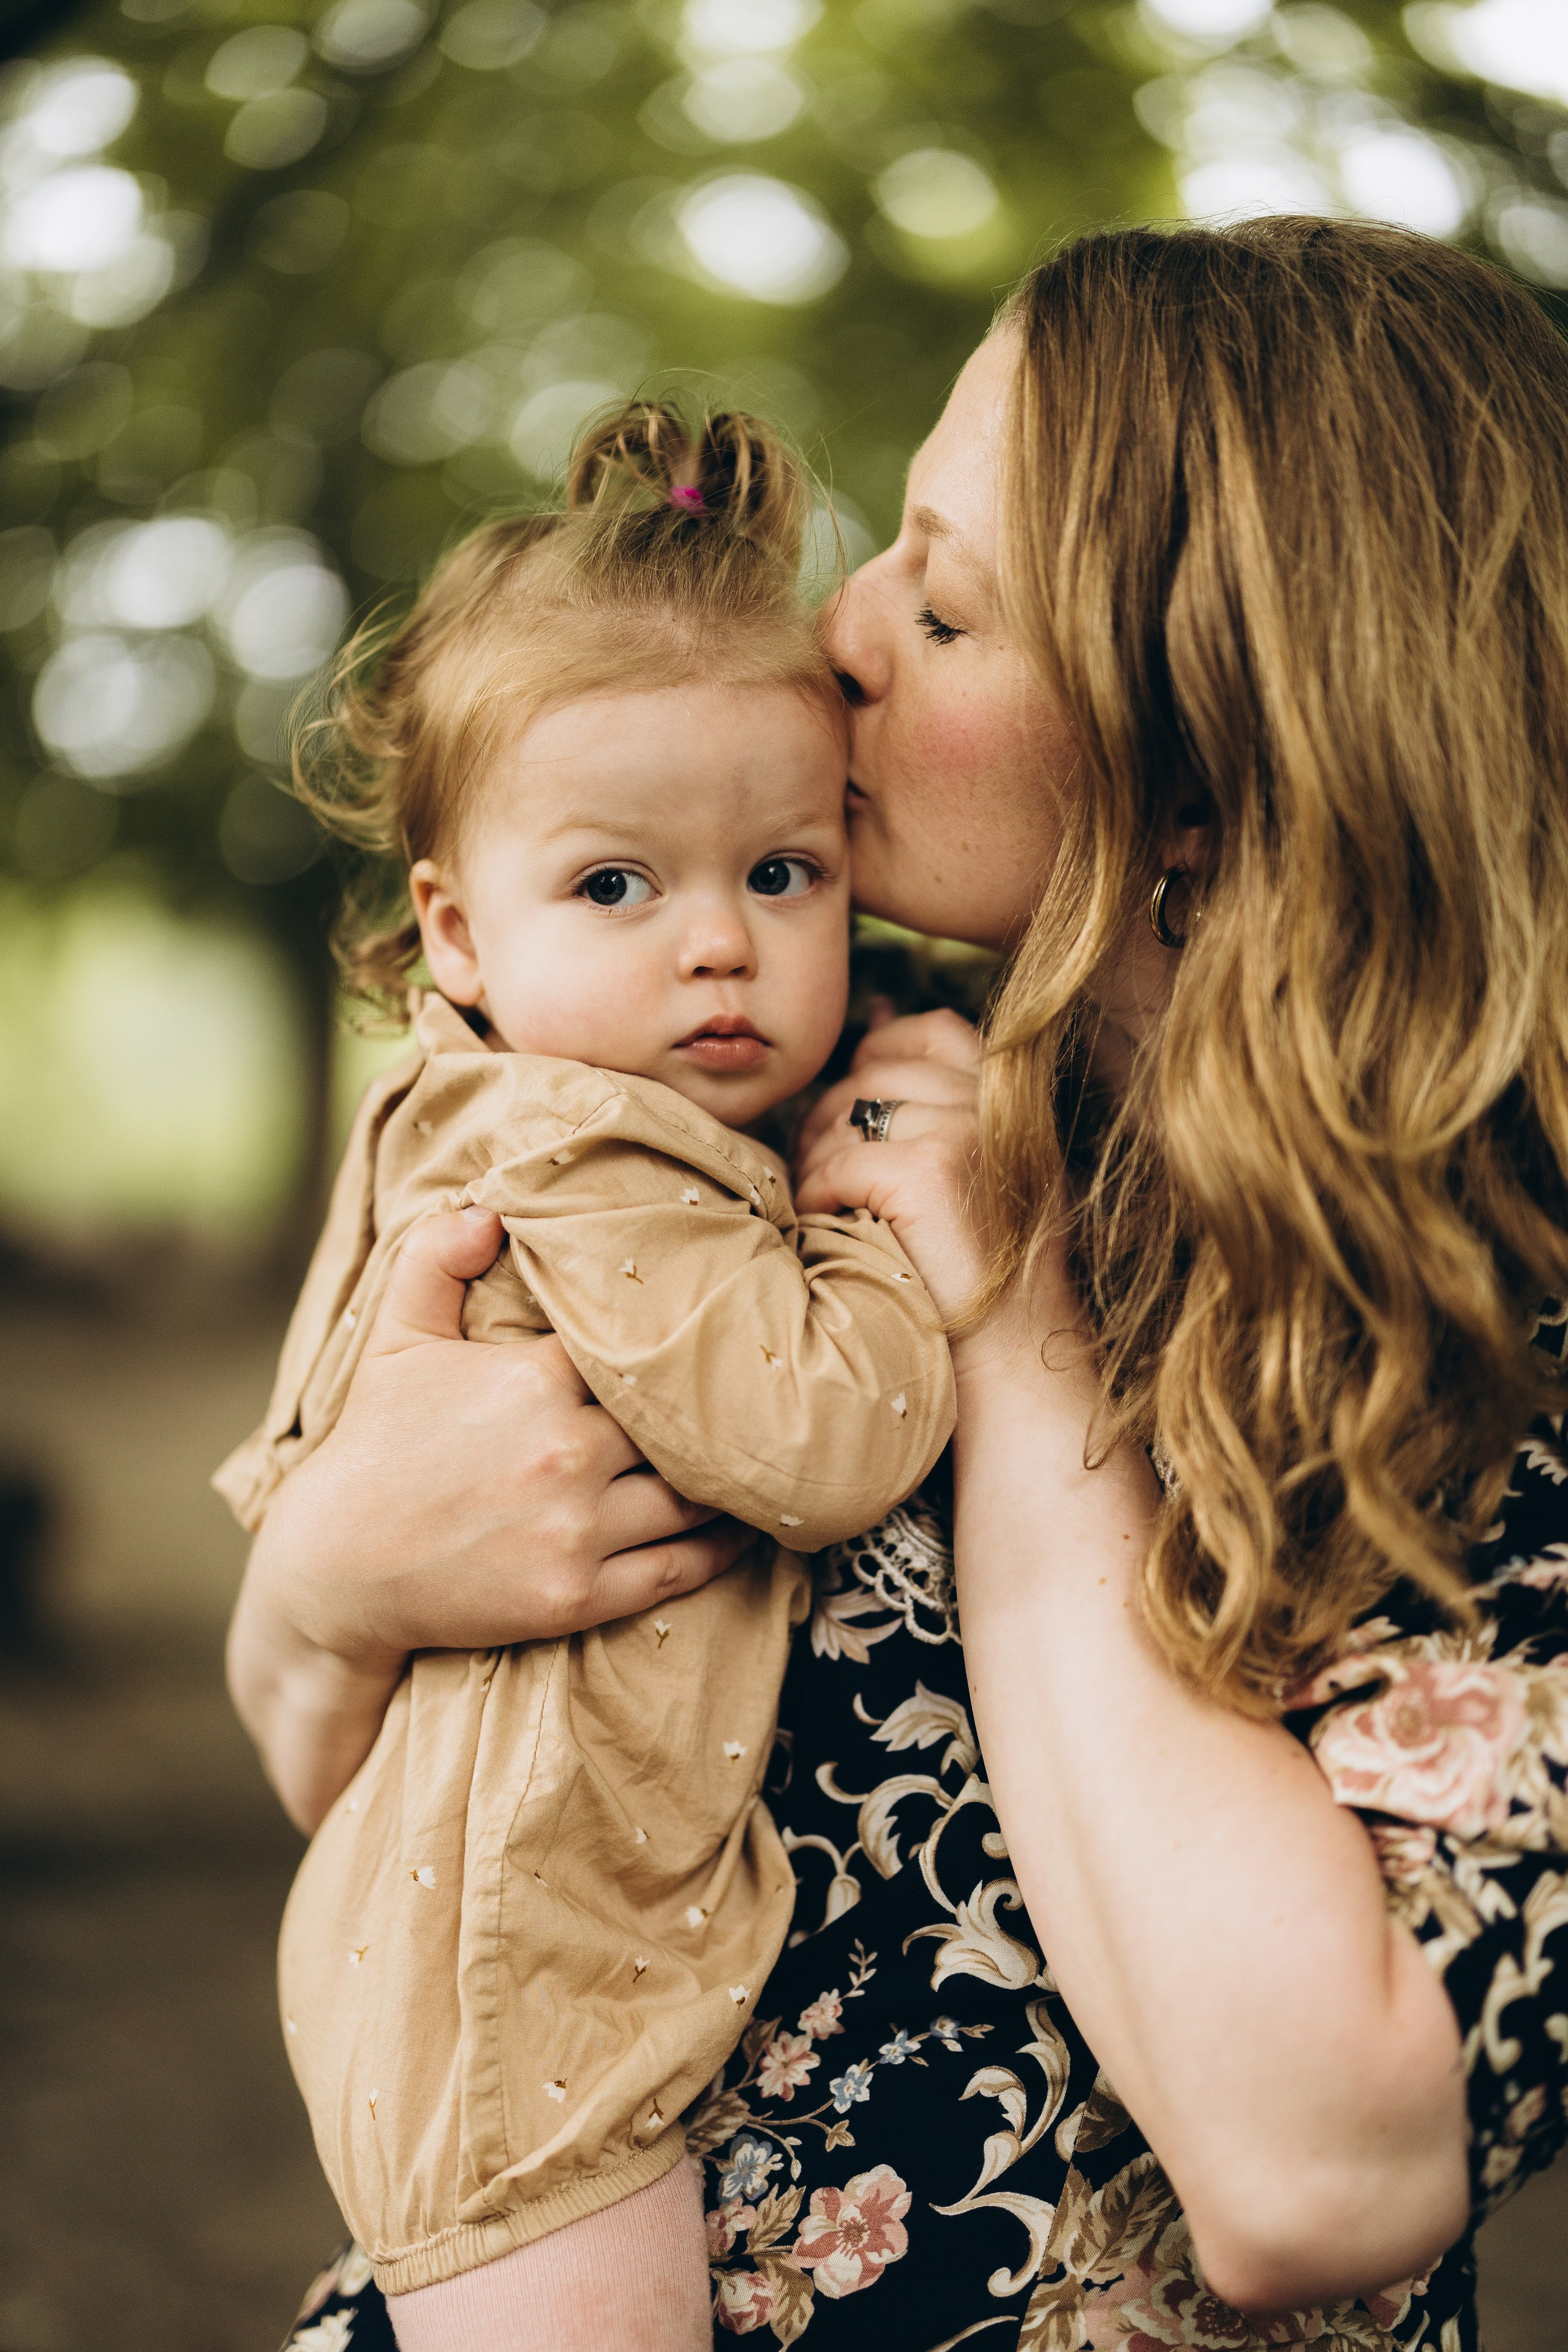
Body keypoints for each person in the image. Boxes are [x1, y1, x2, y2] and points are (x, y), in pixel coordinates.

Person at [233, 217, 1568, 2352]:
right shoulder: (738, 1058)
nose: (843, 635)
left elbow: (1322, 2172)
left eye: (942, 604)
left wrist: (1020, 1349)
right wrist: (330, 1578)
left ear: (1211, 768)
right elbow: (357, 1779)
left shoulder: (1494, 1320)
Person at [217, 402, 952, 2351]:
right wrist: (895, 1242)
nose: (720, 944)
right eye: (617, 887)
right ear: (457, 928)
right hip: (540, 1983)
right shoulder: (591, 1149)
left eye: (786, 873)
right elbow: (812, 1434)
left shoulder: (429, 1121)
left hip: (486, 1942)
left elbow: (287, 1475)